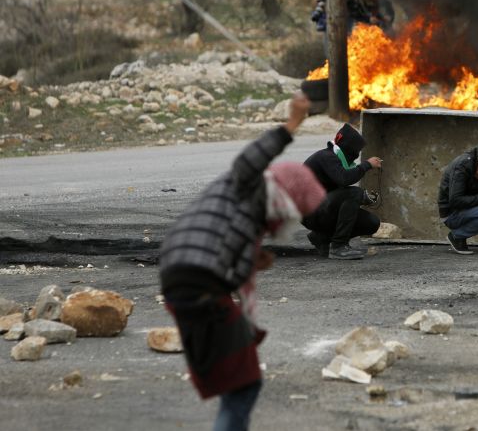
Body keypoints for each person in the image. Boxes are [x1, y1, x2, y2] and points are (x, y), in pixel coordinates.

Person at [159, 94, 326, 431]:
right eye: (295, 211)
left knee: (237, 381)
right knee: (243, 385)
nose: (289, 222)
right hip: (199, 282)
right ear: (286, 195)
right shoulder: (248, 184)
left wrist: (251, 259)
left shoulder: (249, 215)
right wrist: (292, 124)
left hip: (186, 279)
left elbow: (225, 248)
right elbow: (251, 158)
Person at [302, 123, 382, 260]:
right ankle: (338, 246)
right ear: (348, 148)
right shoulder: (326, 157)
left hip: (322, 209)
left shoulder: (334, 159)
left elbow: (337, 191)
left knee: (372, 222)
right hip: (309, 213)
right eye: (356, 151)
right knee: (354, 193)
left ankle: (322, 238)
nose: (356, 155)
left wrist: (364, 199)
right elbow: (344, 179)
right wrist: (367, 165)